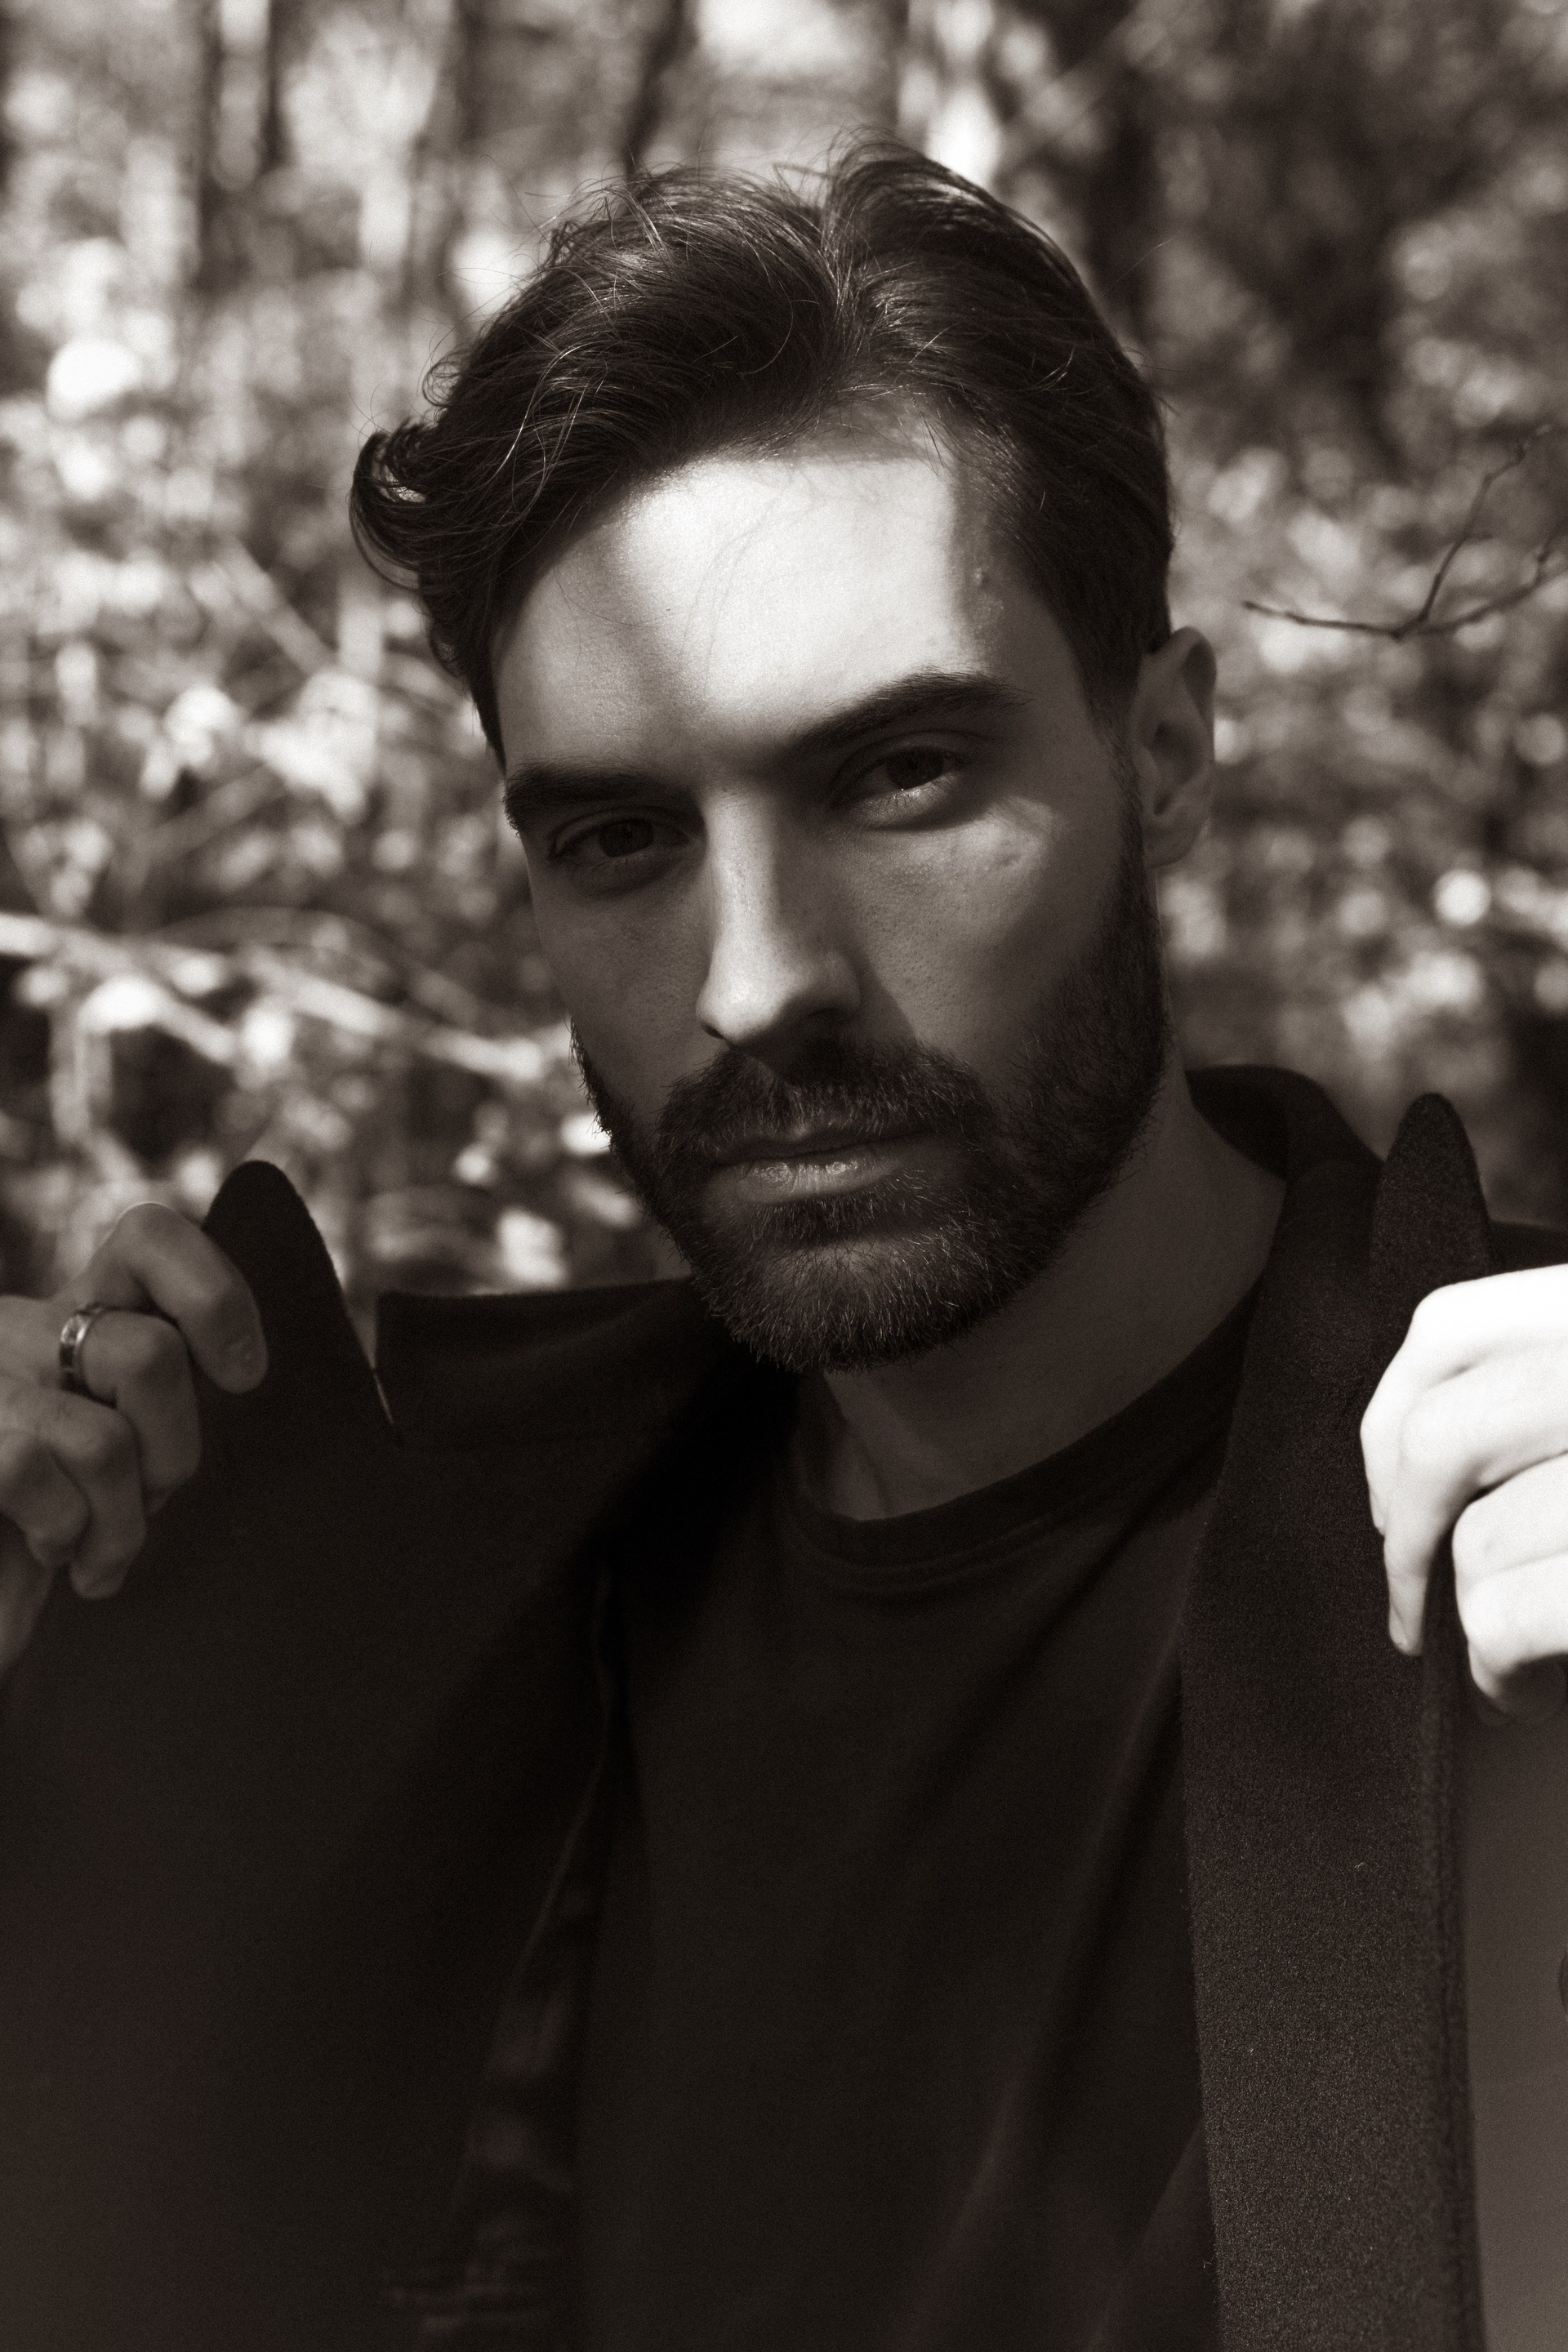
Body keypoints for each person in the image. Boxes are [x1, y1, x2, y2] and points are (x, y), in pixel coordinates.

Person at [0, 150, 1566, 2352]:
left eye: (901, 774)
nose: (755, 986)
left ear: (1168, 755)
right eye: (619, 836)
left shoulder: (1528, 1495)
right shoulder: (413, 1598)